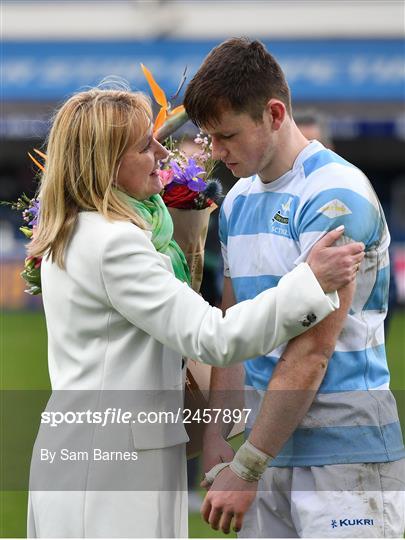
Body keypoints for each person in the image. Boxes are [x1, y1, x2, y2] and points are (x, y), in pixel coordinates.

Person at [25, 85, 363, 539]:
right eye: (145, 145)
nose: (162, 153)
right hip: (111, 472)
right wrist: (309, 284)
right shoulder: (113, 242)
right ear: (106, 161)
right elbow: (215, 338)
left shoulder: (79, 229)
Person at [184, 38, 405, 538]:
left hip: (345, 459)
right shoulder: (237, 202)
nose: (216, 152)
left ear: (275, 113)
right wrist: (220, 441)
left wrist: (246, 465)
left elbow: (312, 353)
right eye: (209, 138)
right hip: (266, 456)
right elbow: (233, 330)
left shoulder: (335, 195)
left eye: (227, 136)